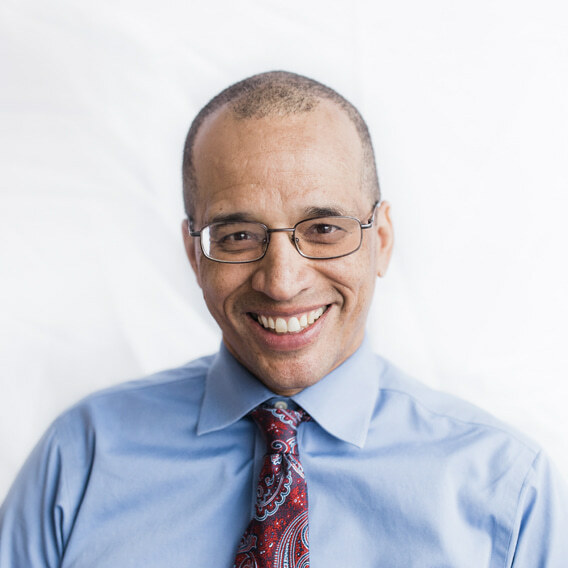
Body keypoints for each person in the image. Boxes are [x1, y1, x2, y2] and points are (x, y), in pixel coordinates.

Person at [1, 71, 567, 567]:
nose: (281, 282)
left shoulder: (506, 489)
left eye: (323, 229)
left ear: (383, 240)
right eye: (239, 235)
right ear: (194, 254)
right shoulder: (81, 459)